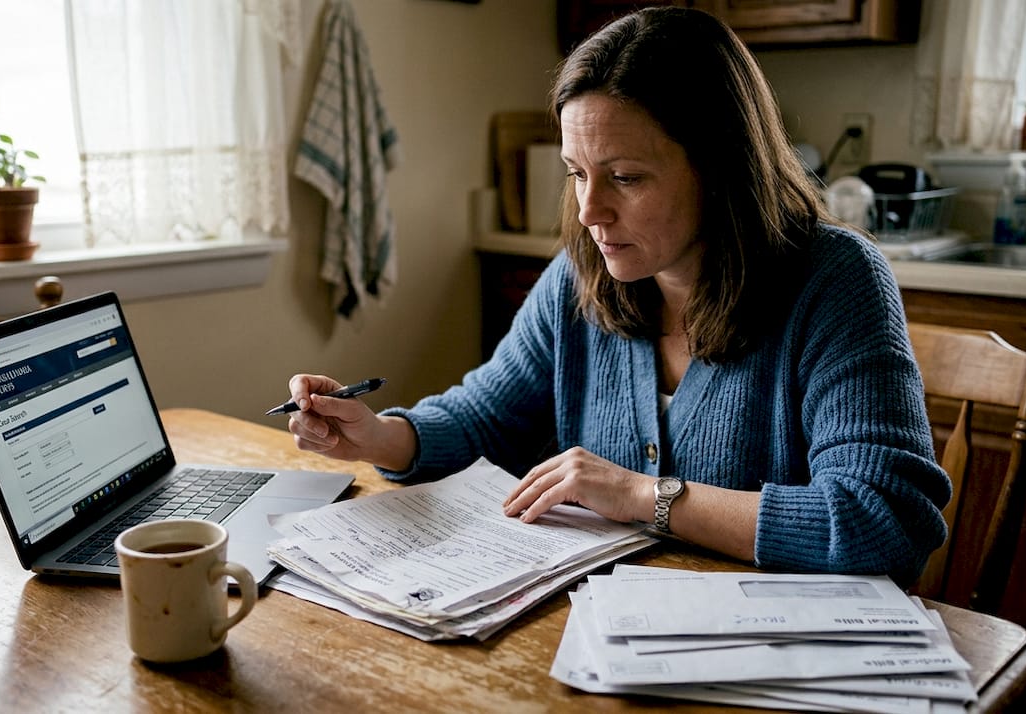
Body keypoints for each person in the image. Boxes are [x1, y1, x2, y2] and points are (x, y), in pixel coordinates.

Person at [282, 7, 950, 586]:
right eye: (577, 173)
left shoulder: (836, 280)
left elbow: (885, 519)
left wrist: (642, 495)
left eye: (625, 177)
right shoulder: (582, 274)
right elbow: (485, 417)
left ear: (719, 169)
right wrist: (379, 437)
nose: (589, 210)